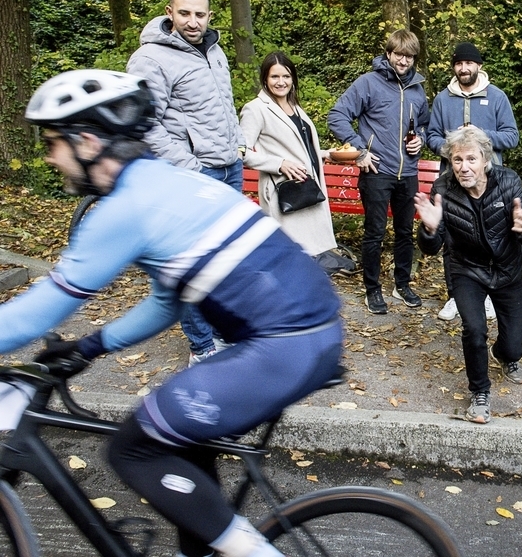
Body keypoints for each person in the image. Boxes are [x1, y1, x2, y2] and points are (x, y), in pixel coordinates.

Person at [0, 69, 343, 557]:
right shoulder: (173, 184)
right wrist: (90, 346)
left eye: (53, 142)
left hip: (280, 348)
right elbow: (168, 302)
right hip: (309, 336)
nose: (50, 155)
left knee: (132, 448)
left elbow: (34, 316)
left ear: (88, 140)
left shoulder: (124, 210)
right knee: (179, 438)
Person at [127, 0, 244, 364]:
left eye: (200, 14)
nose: (193, 22)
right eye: (185, 13)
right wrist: (188, 165)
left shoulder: (215, 50)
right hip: (193, 173)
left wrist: (237, 144)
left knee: (223, 263)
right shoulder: (150, 58)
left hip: (230, 167)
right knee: (190, 267)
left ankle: (223, 335)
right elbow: (144, 124)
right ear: (169, 13)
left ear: (210, 15)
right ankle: (203, 348)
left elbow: (223, 106)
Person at [414, 126, 522, 423]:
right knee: (474, 329)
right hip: (466, 269)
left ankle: (505, 355)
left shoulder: (508, 181)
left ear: (485, 160)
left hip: (508, 270)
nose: (464, 167)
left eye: (471, 159)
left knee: (513, 346)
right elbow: (431, 248)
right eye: (457, 160)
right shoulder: (443, 188)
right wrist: (430, 228)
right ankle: (480, 392)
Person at [327, 29, 429, 315]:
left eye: (408, 56)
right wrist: (360, 150)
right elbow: (337, 116)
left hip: (407, 172)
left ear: (414, 58)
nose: (403, 61)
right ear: (388, 54)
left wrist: (419, 139)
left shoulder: (418, 90)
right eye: (398, 54)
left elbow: (424, 125)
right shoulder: (368, 83)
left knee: (405, 232)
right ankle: (372, 289)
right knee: (374, 233)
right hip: (376, 169)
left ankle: (402, 283)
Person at [426, 42, 520, 323]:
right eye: (459, 64)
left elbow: (512, 136)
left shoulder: (497, 97)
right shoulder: (443, 99)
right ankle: (456, 294)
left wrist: (481, 136)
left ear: (479, 65)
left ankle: (489, 294)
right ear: (454, 68)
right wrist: (453, 147)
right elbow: (431, 136)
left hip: (490, 183)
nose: (464, 68)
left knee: (490, 236)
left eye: (469, 63)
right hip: (453, 181)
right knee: (453, 238)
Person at [239, 51, 354, 275]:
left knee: (307, 256)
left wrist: (327, 153)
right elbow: (242, 153)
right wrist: (279, 163)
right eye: (275, 77)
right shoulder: (256, 108)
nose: (281, 82)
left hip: (307, 188)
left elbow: (299, 147)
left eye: (286, 76)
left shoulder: (295, 107)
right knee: (288, 256)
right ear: (265, 78)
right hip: (285, 192)